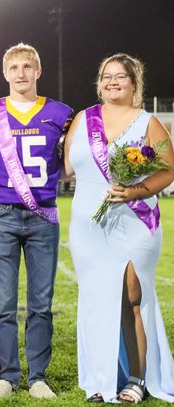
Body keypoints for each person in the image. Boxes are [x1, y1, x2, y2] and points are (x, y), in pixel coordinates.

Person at [65, 53, 174, 403]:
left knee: (132, 296)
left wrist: (135, 190)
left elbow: (168, 170)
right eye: (106, 77)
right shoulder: (83, 118)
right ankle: (100, 380)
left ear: (133, 83)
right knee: (96, 298)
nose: (112, 82)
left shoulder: (148, 122)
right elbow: (69, 167)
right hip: (88, 226)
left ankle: (138, 378)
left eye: (120, 77)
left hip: (134, 219)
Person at [0, 43, 72, 399]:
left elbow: (71, 161)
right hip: (1, 214)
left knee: (41, 302)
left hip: (43, 215)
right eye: (14, 67)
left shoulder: (60, 113)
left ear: (38, 72)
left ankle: (39, 377)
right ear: (5, 73)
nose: (20, 73)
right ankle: (8, 375)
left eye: (27, 66)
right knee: (2, 304)